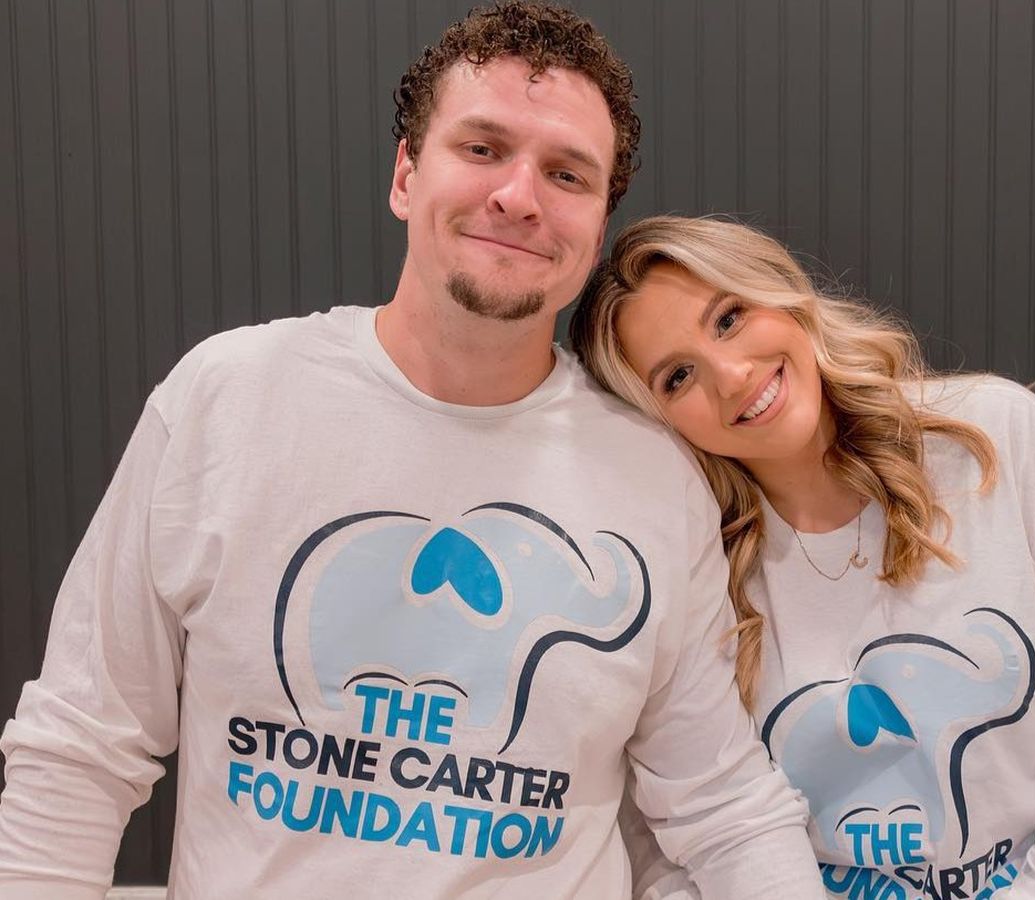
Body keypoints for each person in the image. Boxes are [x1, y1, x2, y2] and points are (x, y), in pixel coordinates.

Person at [0, 7, 825, 898]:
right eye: (481, 148)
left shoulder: (653, 475)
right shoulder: (225, 401)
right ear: (405, 174)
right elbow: (82, 743)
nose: (519, 196)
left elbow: (723, 805)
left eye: (566, 174)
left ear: (595, 230)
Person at [571, 214, 1035, 900]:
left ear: (782, 294)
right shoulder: (696, 573)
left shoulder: (992, 439)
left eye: (729, 318)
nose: (732, 375)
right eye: (677, 376)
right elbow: (674, 833)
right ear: (658, 419)